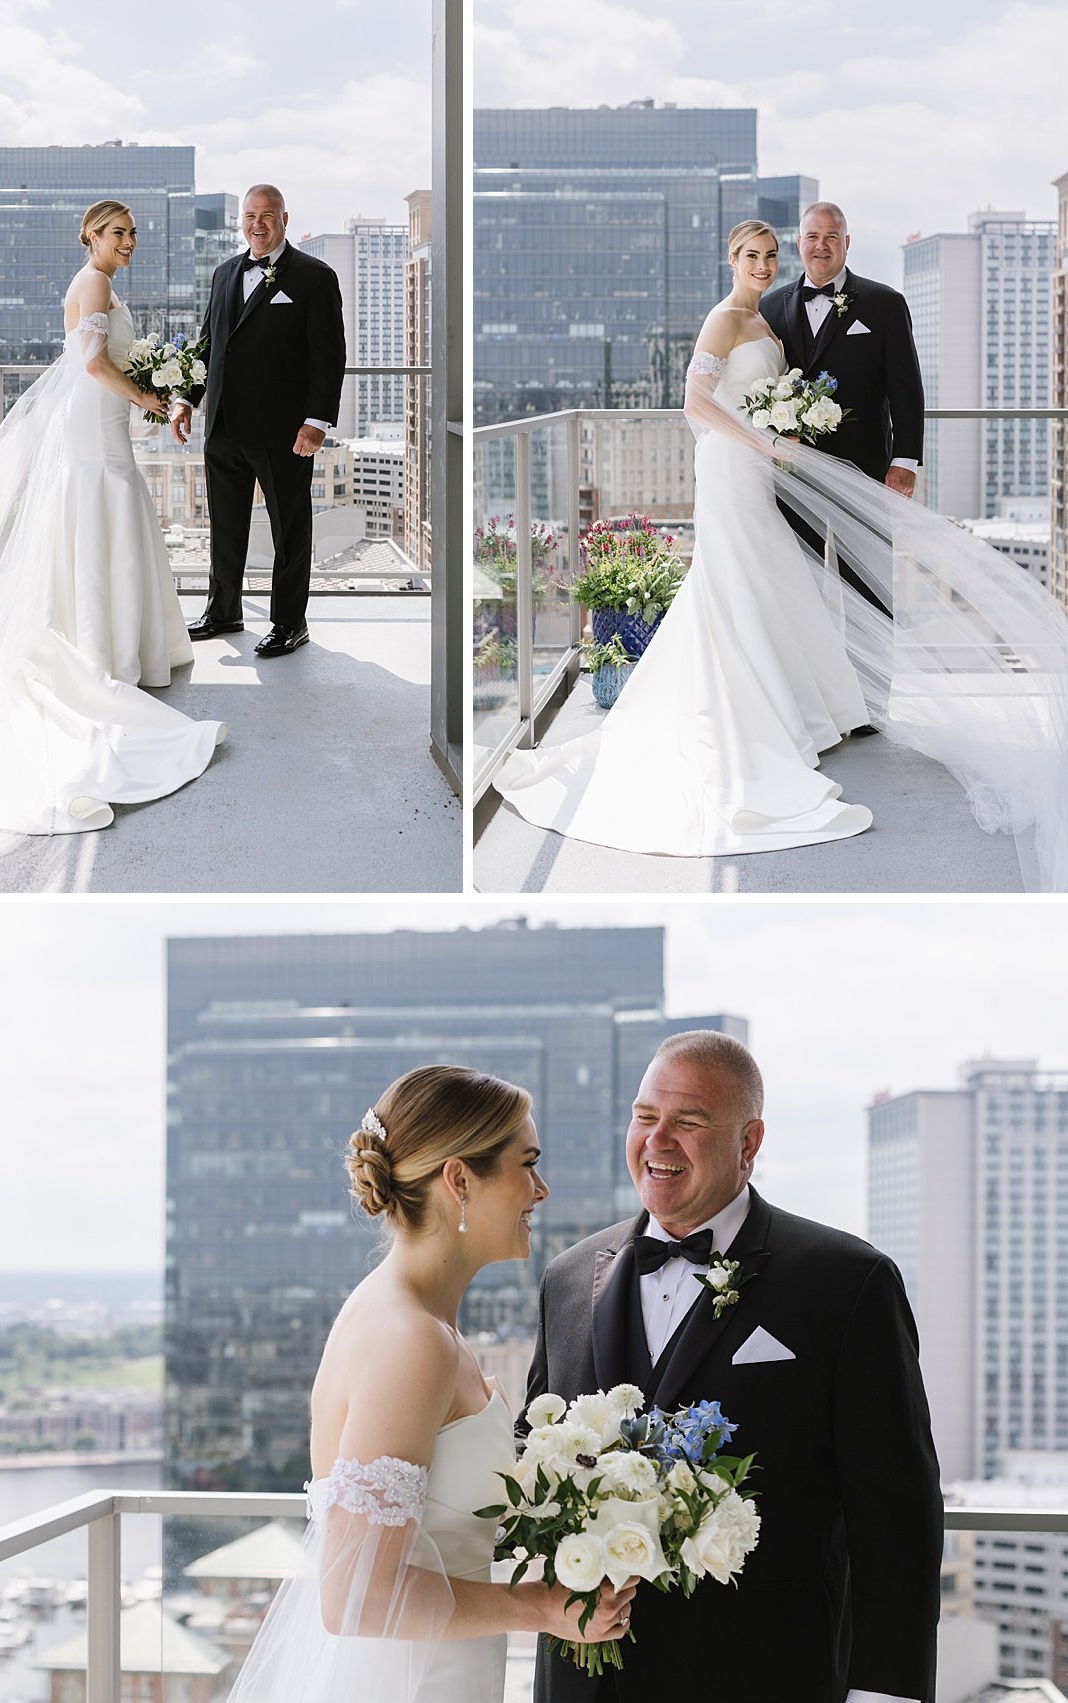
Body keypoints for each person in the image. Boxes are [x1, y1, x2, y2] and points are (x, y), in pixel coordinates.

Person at [493, 218, 1068, 889]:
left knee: (785, 585)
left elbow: (897, 388)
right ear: (734, 258)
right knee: (740, 584)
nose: (768, 263)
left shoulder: (791, 314)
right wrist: (766, 444)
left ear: (844, 243)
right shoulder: (740, 315)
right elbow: (696, 400)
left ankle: (844, 707)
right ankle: (760, 712)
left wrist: (896, 458)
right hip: (745, 472)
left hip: (791, 471)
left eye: (773, 254)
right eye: (757, 254)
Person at [524, 1030, 944, 1703]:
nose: (658, 1141)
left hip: (766, 1677)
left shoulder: (848, 1282)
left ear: (749, 1144)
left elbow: (897, 1515)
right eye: (645, 1116)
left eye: (688, 1122)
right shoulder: (567, 1278)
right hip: (582, 1684)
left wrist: (885, 1692)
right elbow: (535, 1468)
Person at [225, 1065, 635, 1703]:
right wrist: (541, 1608)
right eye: (526, 1164)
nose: (541, 1188)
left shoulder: (423, 1322)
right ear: (460, 1179)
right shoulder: (409, 1341)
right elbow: (356, 1599)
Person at [0, 199, 225, 869]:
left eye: (133, 234)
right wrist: (148, 396)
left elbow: (104, 358)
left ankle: (120, 642)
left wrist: (149, 384)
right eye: (118, 232)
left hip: (102, 423)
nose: (129, 241)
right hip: (93, 424)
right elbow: (92, 365)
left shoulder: (103, 285)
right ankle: (103, 650)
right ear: (91, 236)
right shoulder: (91, 282)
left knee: (113, 515)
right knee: (102, 509)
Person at [174, 183, 347, 658]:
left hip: (285, 431)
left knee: (289, 529)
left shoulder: (315, 276)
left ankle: (290, 623)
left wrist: (316, 422)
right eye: (250, 216)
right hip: (224, 424)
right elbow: (208, 343)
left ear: (284, 220)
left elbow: (328, 356)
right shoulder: (225, 272)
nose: (258, 224)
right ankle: (223, 610)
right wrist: (187, 399)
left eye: (267, 215)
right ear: (242, 221)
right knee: (225, 525)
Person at [761, 200, 925, 628]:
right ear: (799, 243)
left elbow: (906, 390)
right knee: (801, 592)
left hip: (865, 474)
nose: (821, 246)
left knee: (870, 595)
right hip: (792, 479)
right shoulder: (769, 308)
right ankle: (816, 693)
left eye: (831, 237)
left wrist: (904, 463)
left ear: (846, 243)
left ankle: (872, 697)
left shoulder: (885, 304)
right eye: (813, 237)